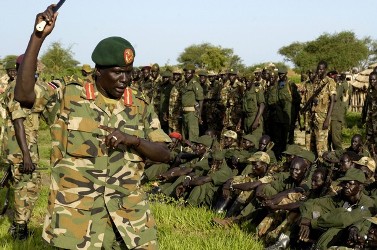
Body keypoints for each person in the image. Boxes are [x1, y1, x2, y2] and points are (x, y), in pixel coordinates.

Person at [15, 5, 171, 249]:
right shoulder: (69, 95)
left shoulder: (139, 104)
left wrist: (135, 141)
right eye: (118, 73)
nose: (125, 80)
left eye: (129, 73)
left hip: (129, 222)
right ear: (98, 71)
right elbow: (24, 95)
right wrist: (37, 38)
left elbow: (164, 153)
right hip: (77, 223)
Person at [3, 54, 62, 240]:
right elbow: (19, 122)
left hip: (23, 145)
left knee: (24, 185)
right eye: (34, 69)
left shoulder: (24, 87)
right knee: (27, 187)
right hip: (20, 148)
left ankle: (19, 223)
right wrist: (26, 156)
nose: (36, 73)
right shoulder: (17, 88)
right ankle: (20, 229)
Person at [298, 168, 375, 249]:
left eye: (350, 183)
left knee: (337, 226)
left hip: (356, 238)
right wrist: (305, 218)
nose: (346, 186)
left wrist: (311, 222)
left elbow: (345, 220)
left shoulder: (367, 203)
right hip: (332, 232)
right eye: (345, 183)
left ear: (360, 187)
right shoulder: (341, 197)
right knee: (314, 209)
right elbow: (311, 203)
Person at [308, 61, 337, 161]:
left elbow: (333, 101)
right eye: (318, 69)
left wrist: (327, 119)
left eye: (321, 69)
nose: (319, 71)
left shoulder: (330, 82)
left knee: (321, 147)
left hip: (323, 118)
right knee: (312, 145)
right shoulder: (317, 82)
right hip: (313, 118)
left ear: (325, 70)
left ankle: (323, 167)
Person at [181, 64, 203, 141]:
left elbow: (200, 99)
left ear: (193, 74)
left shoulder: (195, 84)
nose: (187, 75)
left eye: (189, 73)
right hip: (184, 112)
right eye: (186, 73)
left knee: (192, 135)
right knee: (185, 134)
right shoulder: (185, 84)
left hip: (192, 113)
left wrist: (199, 114)